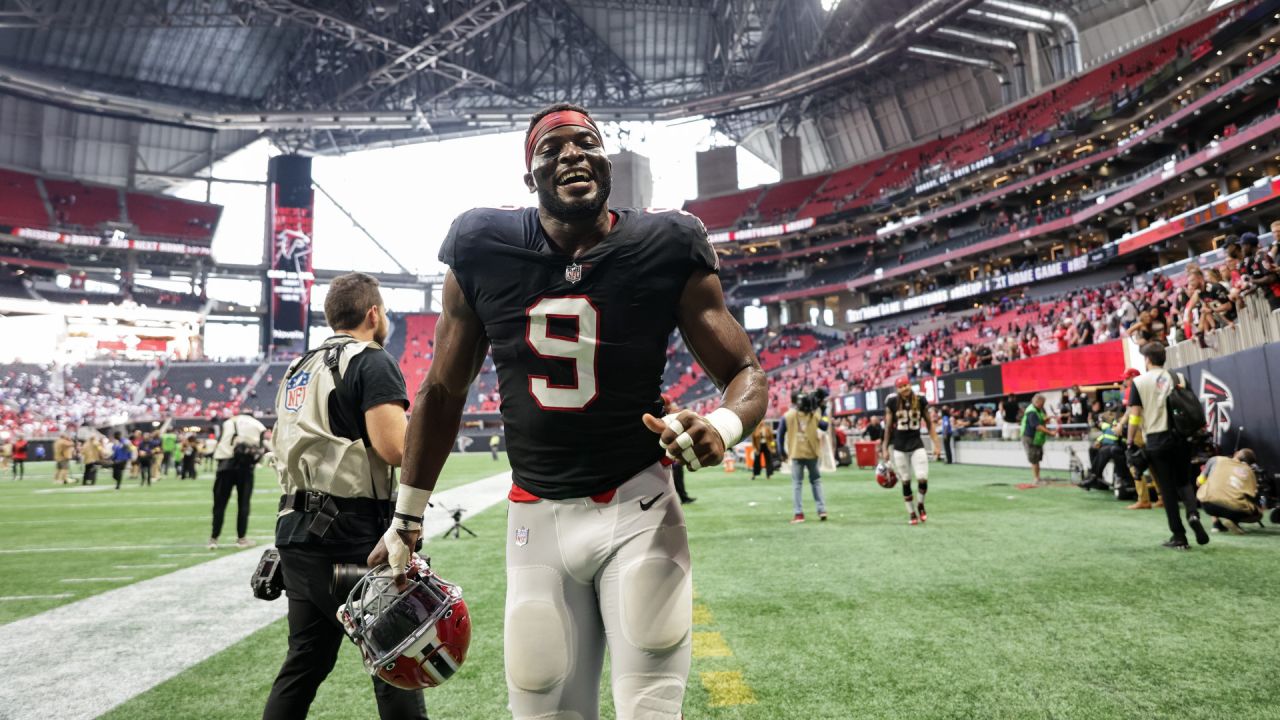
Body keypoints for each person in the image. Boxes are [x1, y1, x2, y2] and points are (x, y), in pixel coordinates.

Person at [371, 102, 767, 720]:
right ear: (530, 176)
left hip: (638, 506)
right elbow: (442, 392)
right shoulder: (482, 245)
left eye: (586, 142)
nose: (572, 154)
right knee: (543, 709)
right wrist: (406, 517)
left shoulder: (667, 242)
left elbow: (745, 373)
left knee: (652, 711)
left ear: (606, 161)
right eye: (551, 149)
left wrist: (721, 425)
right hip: (538, 519)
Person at [262, 272, 425, 720]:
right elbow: (395, 449)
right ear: (373, 314)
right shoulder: (371, 360)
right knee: (394, 653)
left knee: (306, 661)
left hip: (296, 531)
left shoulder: (299, 366)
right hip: (349, 532)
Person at [1127, 342, 1208, 550]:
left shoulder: (1139, 382)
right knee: (1184, 481)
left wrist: (1129, 441)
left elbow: (1134, 417)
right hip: (1181, 438)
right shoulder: (1178, 377)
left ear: (1147, 360)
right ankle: (1193, 514)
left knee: (1167, 489)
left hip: (1156, 440)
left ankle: (1179, 535)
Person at [882, 377, 942, 525]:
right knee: (906, 481)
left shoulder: (920, 399)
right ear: (897, 389)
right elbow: (888, 428)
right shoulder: (892, 402)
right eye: (901, 386)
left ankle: (920, 504)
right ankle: (911, 513)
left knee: (922, 478)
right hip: (900, 446)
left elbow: (929, 423)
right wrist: (884, 448)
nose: (905, 388)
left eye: (907, 385)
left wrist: (936, 444)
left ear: (910, 385)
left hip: (916, 444)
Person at [208, 410, 266, 550]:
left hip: (225, 465)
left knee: (219, 504)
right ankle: (241, 539)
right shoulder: (258, 425)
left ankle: (213, 539)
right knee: (244, 504)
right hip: (245, 468)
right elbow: (260, 449)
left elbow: (220, 441)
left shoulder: (229, 422)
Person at [779, 391, 829, 523]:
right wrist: (824, 412)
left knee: (797, 484)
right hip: (812, 453)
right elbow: (825, 426)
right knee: (816, 481)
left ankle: (798, 514)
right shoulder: (814, 415)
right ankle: (822, 510)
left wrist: (781, 452)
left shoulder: (788, 416)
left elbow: (780, 433)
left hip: (796, 453)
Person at [1197, 449, 1262, 534]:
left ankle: (1216, 524)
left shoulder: (1215, 459)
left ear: (1236, 454)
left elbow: (1199, 482)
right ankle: (1233, 520)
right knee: (1258, 513)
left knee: (1211, 488)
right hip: (1234, 508)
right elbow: (1253, 496)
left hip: (1208, 505)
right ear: (1250, 463)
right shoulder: (1250, 472)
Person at [662, 395, 696, 505]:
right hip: (668, 456)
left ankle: (683, 497)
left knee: (677, 478)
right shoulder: (665, 418)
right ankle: (681, 497)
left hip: (672, 456)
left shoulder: (667, 416)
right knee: (674, 479)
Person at [1085, 412, 1130, 491]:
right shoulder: (1114, 423)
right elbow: (1108, 434)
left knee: (1105, 450)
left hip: (1123, 445)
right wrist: (1099, 441)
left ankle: (1095, 477)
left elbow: (1115, 436)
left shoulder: (1121, 422)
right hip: (1116, 444)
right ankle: (1095, 476)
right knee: (1093, 449)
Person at [1021, 394, 1058, 485]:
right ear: (1037, 402)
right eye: (1042, 403)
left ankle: (1037, 478)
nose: (1043, 405)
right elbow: (1037, 426)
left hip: (1035, 438)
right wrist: (1050, 433)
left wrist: (1046, 419)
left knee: (1036, 458)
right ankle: (1036, 479)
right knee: (1034, 459)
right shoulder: (1032, 412)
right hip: (1030, 437)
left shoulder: (1037, 410)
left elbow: (1039, 421)